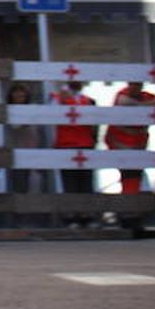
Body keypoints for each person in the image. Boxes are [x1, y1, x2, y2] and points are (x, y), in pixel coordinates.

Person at [106, 80, 155, 233]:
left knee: (134, 180)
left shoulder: (144, 96)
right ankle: (128, 215)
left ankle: (132, 215)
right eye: (132, 84)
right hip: (121, 145)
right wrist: (145, 106)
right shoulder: (122, 95)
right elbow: (123, 102)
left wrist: (138, 106)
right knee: (129, 179)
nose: (135, 87)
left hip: (138, 146)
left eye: (138, 85)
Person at [50, 80, 99, 228]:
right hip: (66, 144)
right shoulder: (57, 98)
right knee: (69, 182)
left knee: (86, 181)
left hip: (85, 144)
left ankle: (87, 215)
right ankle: (71, 216)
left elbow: (95, 123)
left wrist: (94, 140)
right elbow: (51, 118)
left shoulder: (88, 100)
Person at [4, 83, 53, 229]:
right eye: (16, 93)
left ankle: (38, 219)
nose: (19, 96)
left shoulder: (32, 108)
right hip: (17, 153)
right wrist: (32, 115)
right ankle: (20, 219)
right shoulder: (9, 110)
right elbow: (17, 126)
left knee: (37, 185)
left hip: (36, 152)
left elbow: (41, 131)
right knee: (19, 187)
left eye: (22, 93)